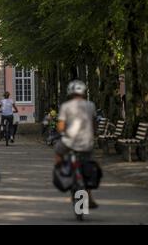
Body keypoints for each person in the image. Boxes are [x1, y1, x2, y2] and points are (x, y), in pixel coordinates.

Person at [55, 80, 98, 209]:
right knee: (88, 167)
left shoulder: (66, 106)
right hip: (87, 142)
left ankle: (62, 173)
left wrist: (62, 131)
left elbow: (61, 127)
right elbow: (94, 124)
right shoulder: (91, 105)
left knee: (58, 151)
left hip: (69, 142)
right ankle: (89, 195)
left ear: (70, 92)